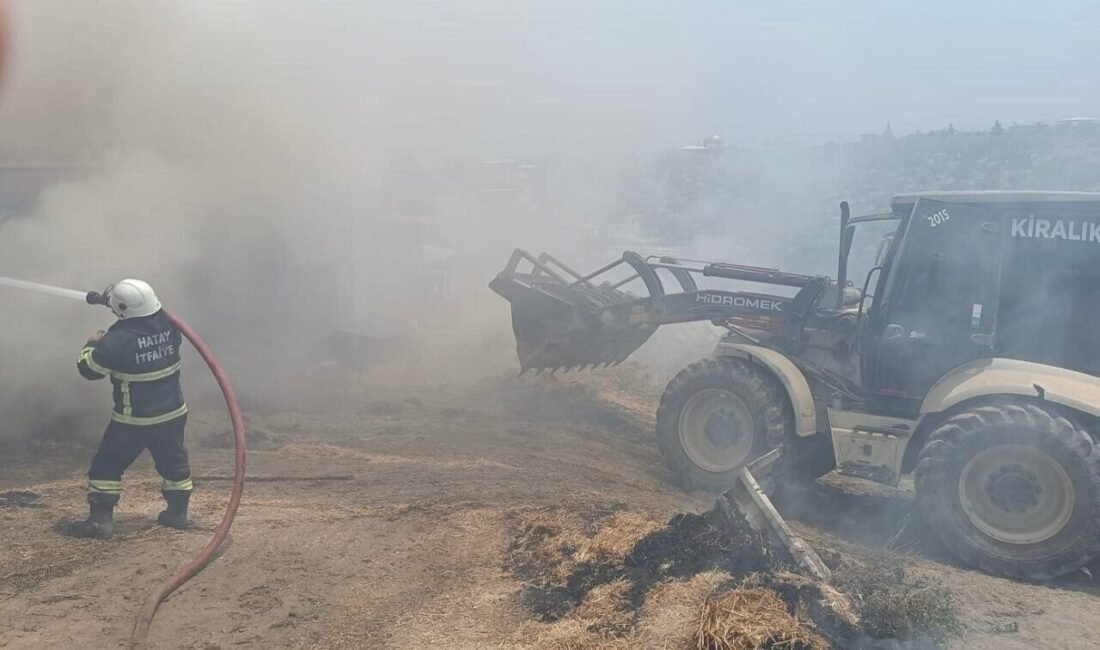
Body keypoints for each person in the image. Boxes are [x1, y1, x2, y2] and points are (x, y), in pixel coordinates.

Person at [64, 279, 192, 539]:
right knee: (174, 461)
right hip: (173, 412)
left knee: (107, 466)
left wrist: (91, 344)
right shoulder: (171, 326)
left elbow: (89, 370)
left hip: (135, 419)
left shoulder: (117, 339)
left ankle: (100, 522)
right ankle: (177, 513)